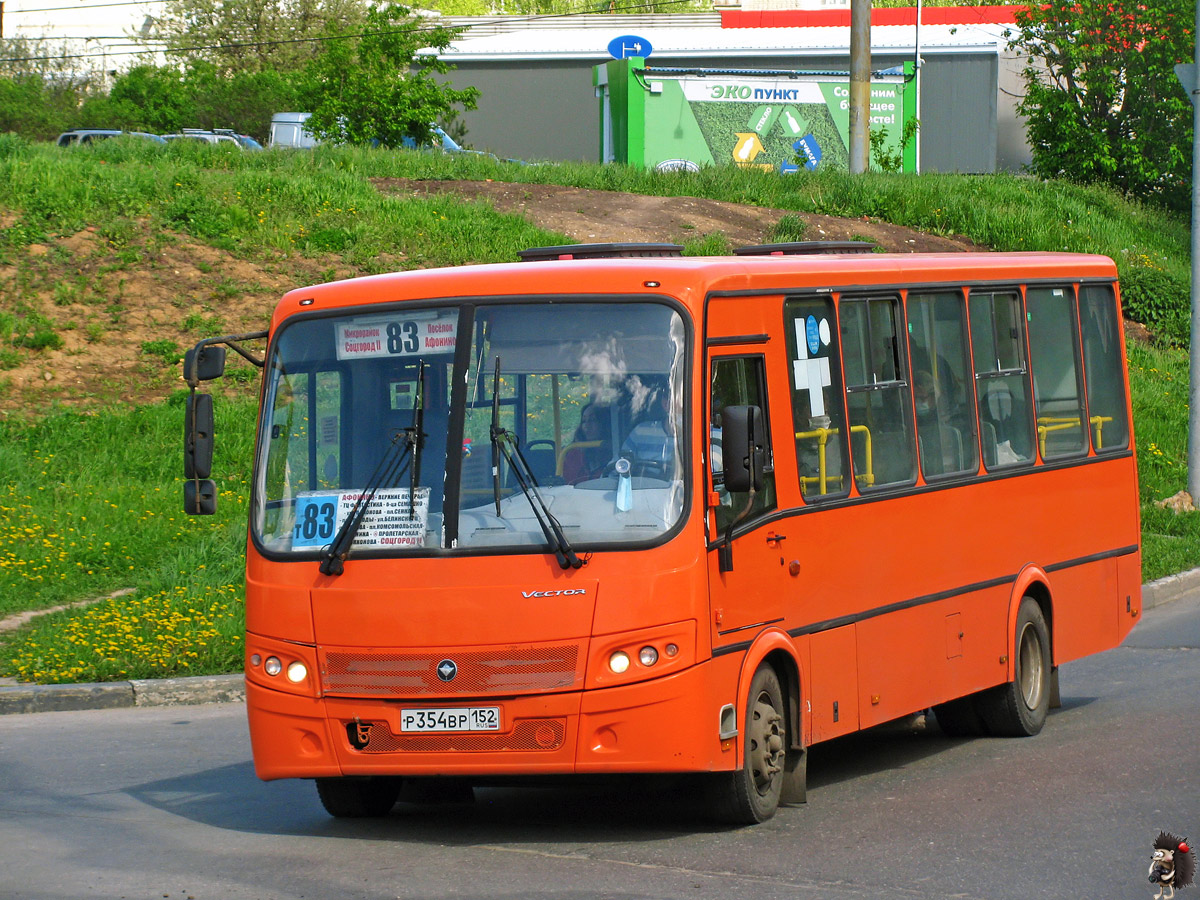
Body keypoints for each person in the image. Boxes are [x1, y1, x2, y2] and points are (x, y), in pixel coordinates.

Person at [561, 403, 612, 483]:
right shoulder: (573, 452)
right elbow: (567, 484)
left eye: (592, 420)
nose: (587, 425)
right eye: (584, 421)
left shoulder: (615, 452)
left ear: (604, 423)